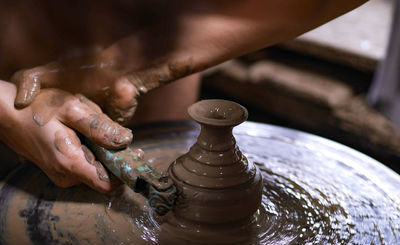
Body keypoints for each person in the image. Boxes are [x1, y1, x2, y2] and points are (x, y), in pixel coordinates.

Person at [0, 0, 367, 193]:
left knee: (167, 184)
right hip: (15, 44)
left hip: (154, 27)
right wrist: (6, 110)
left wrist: (130, 67)